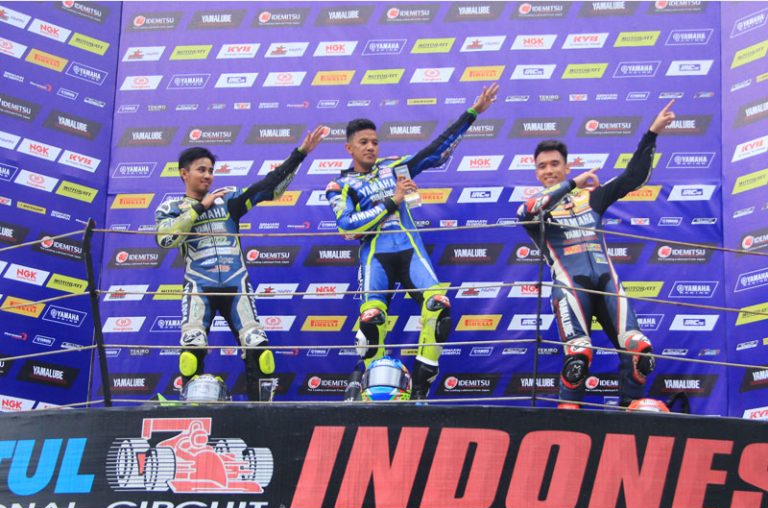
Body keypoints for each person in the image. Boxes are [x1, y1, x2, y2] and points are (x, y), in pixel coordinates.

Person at [326, 83, 500, 400]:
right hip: (375, 257)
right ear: (349, 148)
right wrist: (392, 201)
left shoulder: (395, 167)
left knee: (438, 307)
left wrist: (472, 113)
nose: (371, 147)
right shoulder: (340, 185)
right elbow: (347, 227)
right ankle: (372, 393)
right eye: (363, 142)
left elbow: (435, 153)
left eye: (375, 142)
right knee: (371, 322)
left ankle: (420, 388)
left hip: (409, 250)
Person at [516, 100, 676, 409]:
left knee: (639, 350)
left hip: (607, 282)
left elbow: (633, 177)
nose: (549, 170)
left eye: (555, 164)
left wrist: (652, 133)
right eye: (542, 166)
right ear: (536, 173)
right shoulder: (535, 209)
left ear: (566, 166)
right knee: (578, 356)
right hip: (570, 286)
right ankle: (568, 415)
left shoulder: (593, 198)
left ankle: (631, 411)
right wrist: (573, 184)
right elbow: (528, 211)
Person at [155, 126, 326, 401]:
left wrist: (300, 154)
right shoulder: (171, 208)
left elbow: (268, 187)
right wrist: (200, 207)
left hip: (237, 285)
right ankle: (192, 413)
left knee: (260, 351)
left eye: (211, 170)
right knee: (191, 353)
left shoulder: (229, 201)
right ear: (184, 173)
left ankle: (261, 416)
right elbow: (165, 239)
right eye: (201, 170)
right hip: (199, 287)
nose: (208, 175)